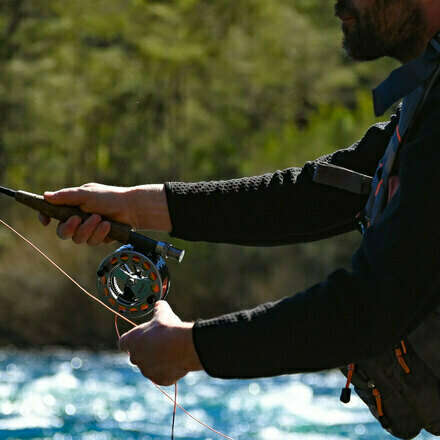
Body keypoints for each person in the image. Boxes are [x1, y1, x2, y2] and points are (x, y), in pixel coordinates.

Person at [40, 0, 440, 392]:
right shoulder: (428, 96)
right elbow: (316, 196)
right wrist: (131, 206)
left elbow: (370, 306)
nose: (336, 4)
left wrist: (190, 348)